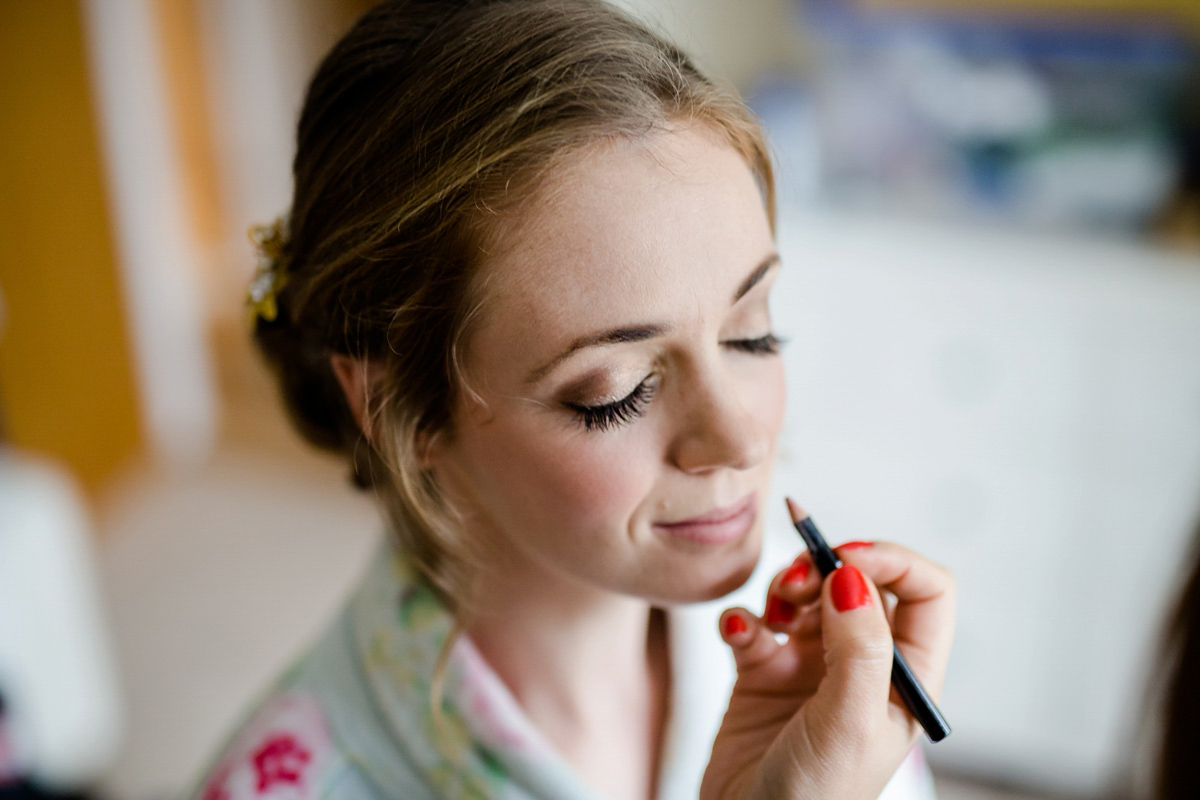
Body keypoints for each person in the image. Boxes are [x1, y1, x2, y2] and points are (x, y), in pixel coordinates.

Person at [190, 2, 956, 799]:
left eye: (751, 334)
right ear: (398, 408)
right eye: (614, 394)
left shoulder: (802, 647)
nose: (738, 438)